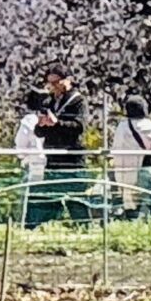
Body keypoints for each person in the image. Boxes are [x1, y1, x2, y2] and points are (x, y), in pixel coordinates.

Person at [29, 70, 88, 225]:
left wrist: (57, 123)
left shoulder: (78, 101)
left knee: (76, 199)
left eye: (57, 82)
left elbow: (79, 126)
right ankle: (45, 228)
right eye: (51, 83)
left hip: (72, 158)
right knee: (50, 198)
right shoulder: (48, 102)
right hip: (52, 156)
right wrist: (42, 124)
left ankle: (85, 228)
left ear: (67, 80)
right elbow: (38, 132)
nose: (53, 87)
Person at [108, 96, 151, 217]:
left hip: (124, 169)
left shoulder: (122, 127)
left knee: (130, 199)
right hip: (148, 168)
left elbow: (115, 148)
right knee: (150, 197)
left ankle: (131, 219)